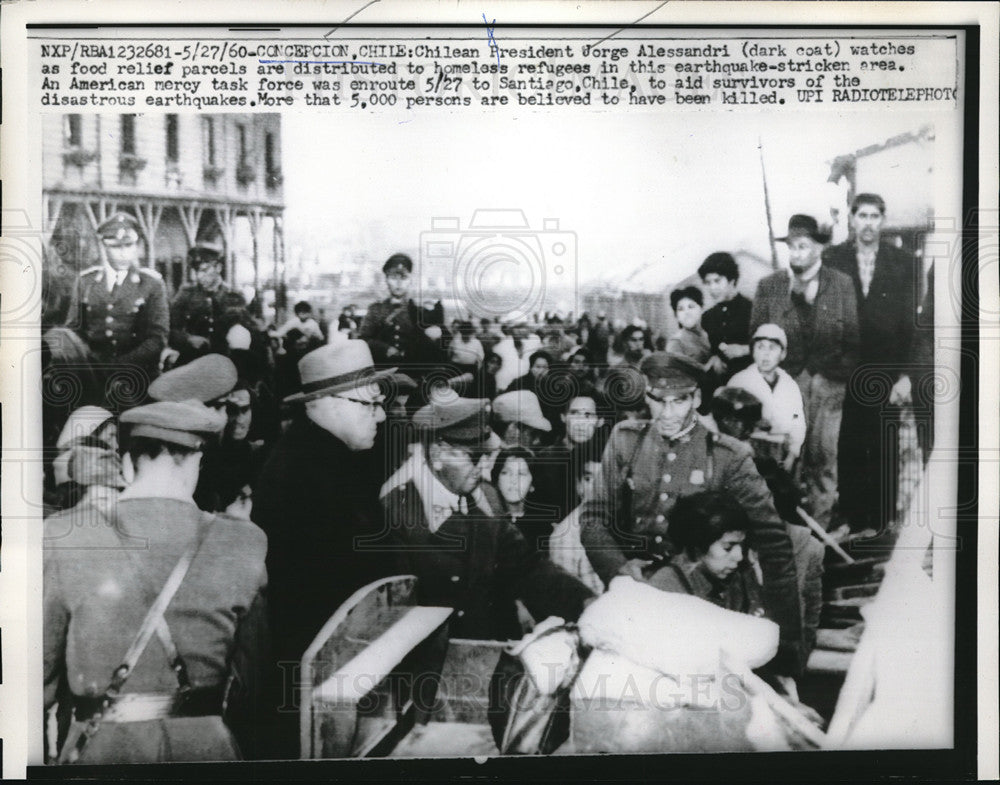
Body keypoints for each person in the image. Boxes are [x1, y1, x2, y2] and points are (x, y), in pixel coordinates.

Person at [43, 400, 268, 764]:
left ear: (128, 462)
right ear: (196, 460)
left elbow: (38, 680)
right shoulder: (244, 541)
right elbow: (252, 683)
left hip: (101, 752)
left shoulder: (64, 534)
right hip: (208, 752)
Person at [579, 351, 804, 679]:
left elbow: (774, 546)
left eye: (679, 401)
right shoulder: (626, 441)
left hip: (703, 607)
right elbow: (593, 518)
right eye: (657, 401)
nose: (667, 413)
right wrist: (619, 572)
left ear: (697, 398)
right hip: (633, 601)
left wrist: (785, 649)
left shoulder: (728, 456)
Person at [251, 340, 394, 758]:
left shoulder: (324, 458)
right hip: (315, 687)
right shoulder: (305, 475)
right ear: (328, 402)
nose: (381, 414)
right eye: (369, 405)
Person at [377, 397, 595, 640]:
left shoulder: (480, 499)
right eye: (475, 457)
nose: (483, 468)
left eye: (487, 456)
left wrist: (588, 604)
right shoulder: (395, 513)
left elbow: (527, 567)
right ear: (438, 454)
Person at [750, 214, 860, 530]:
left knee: (823, 461)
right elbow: (756, 339)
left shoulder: (840, 285)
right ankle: (786, 532)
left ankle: (819, 536)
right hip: (783, 388)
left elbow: (853, 340)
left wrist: (831, 378)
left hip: (828, 389)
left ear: (818, 249)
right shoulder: (769, 287)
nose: (797, 253)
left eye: (804, 246)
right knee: (784, 461)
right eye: (792, 247)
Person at [823, 193, 921, 535]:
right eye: (861, 216)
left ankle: (881, 522)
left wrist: (905, 375)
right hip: (845, 370)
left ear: (883, 220)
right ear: (852, 219)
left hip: (886, 369)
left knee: (883, 442)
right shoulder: (832, 259)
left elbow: (911, 323)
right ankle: (851, 518)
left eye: (874, 216)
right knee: (848, 441)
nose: (867, 223)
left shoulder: (904, 262)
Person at [62, 211, 169, 406]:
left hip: (138, 380)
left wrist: (116, 366)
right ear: (104, 247)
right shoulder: (86, 281)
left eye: (128, 245)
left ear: (136, 247)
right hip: (93, 380)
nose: (123, 252)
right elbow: (73, 331)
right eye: (115, 246)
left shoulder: (151, 284)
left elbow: (157, 338)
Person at [646, 491, 764, 616]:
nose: (739, 556)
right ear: (698, 546)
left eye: (742, 546)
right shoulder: (665, 588)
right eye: (728, 547)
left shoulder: (737, 580)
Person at [359, 253, 447, 401]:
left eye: (403, 278)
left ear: (410, 281)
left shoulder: (418, 310)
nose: (398, 283)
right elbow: (363, 339)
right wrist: (385, 348)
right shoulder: (376, 309)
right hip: (382, 374)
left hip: (412, 375)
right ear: (387, 280)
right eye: (394, 278)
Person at [728, 323, 807, 470]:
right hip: (749, 452)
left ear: (782, 354)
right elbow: (729, 424)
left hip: (782, 451)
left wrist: (792, 454)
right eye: (760, 347)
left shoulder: (790, 385)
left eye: (772, 348)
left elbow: (798, 423)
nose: (766, 354)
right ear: (753, 352)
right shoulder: (739, 382)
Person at [165, 241, 251, 368]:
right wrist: (188, 339)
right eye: (197, 271)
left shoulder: (234, 296)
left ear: (218, 268)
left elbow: (244, 334)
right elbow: (168, 329)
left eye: (205, 270)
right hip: (192, 362)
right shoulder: (186, 294)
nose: (200, 276)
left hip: (226, 363)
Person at [699, 252, 753, 380]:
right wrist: (715, 357)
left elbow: (772, 345)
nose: (712, 288)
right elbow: (714, 349)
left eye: (717, 281)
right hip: (720, 385)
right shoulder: (708, 317)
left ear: (732, 280)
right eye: (708, 282)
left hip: (751, 382)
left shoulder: (753, 310)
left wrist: (745, 349)